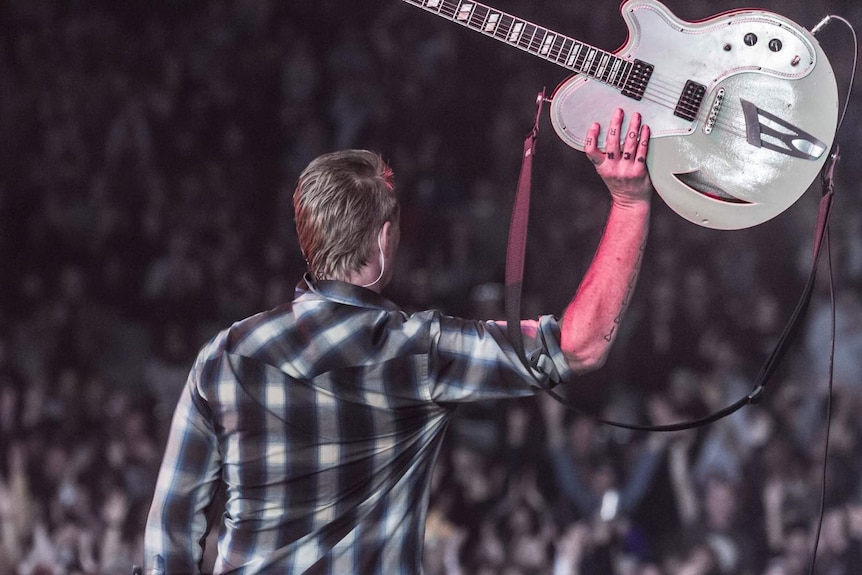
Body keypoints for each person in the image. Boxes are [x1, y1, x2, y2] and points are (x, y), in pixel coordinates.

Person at [143, 108, 653, 573]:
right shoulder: (416, 351)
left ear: (308, 238)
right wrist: (629, 204)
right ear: (385, 237)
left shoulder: (226, 355)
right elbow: (580, 344)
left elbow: (172, 526)